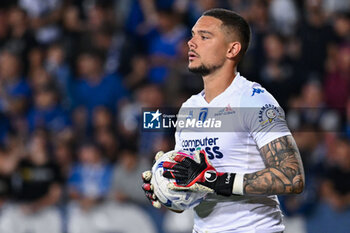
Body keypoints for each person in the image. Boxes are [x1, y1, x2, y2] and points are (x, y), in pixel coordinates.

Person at [142, 8, 305, 233]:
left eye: (204, 36)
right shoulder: (189, 108)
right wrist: (167, 188)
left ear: (232, 49)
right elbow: (196, 189)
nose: (191, 42)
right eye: (192, 35)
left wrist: (216, 181)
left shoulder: (253, 100)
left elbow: (292, 176)